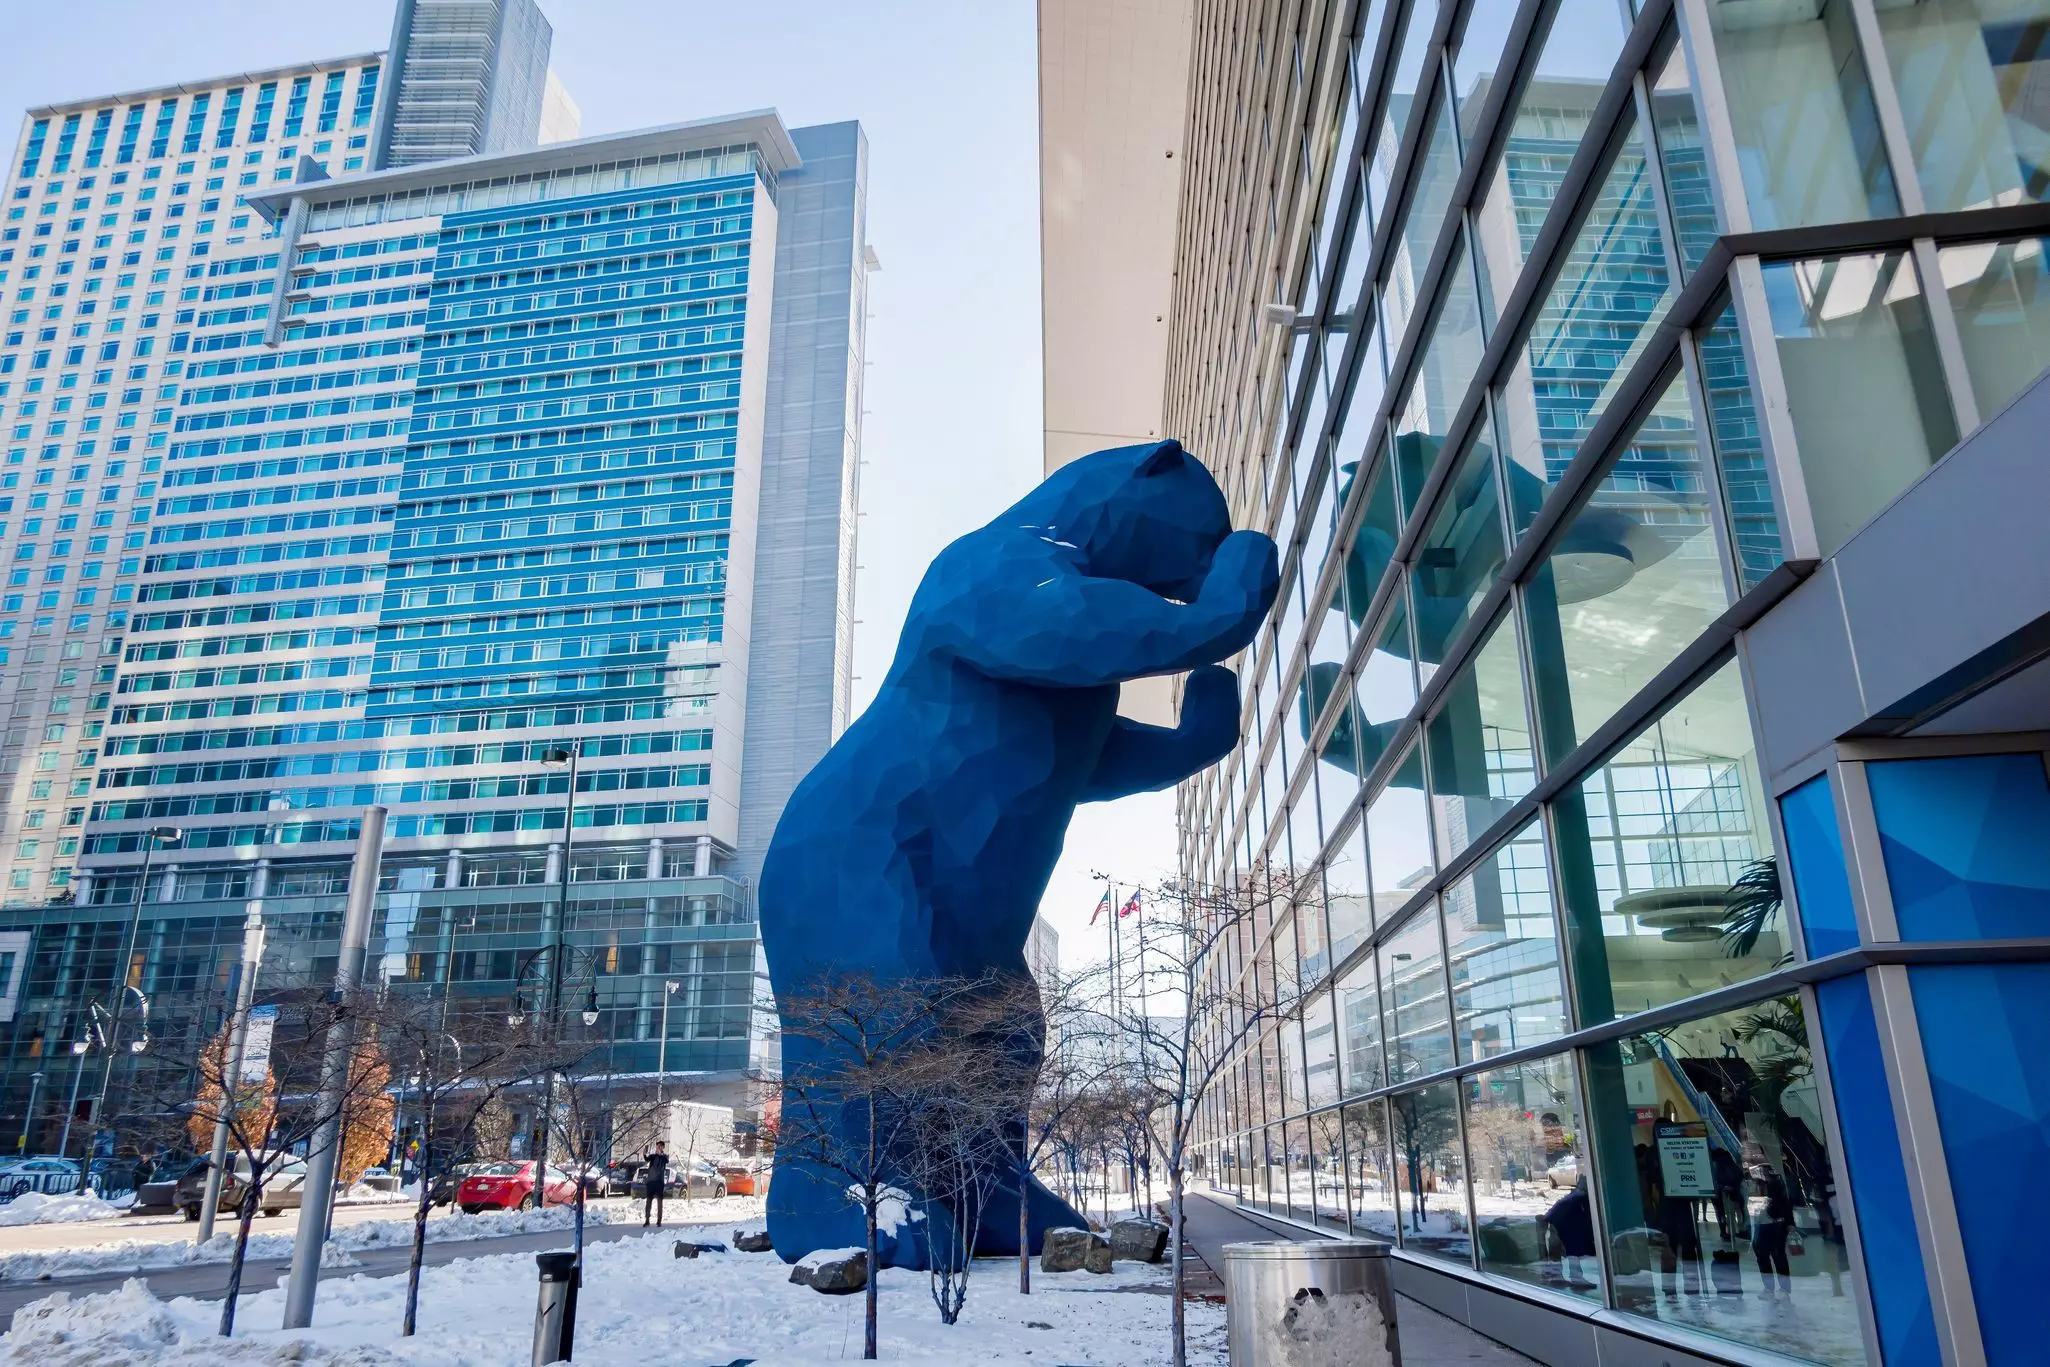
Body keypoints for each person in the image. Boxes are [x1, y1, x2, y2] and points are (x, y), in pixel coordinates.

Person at [1750, 1167, 1795, 1296]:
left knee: (1776, 1256)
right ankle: (1772, 1288)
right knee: (1766, 1257)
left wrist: (1790, 1222)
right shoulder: (1756, 1184)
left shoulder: (1773, 1185)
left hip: (1773, 1224)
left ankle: (1779, 1288)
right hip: (1762, 1224)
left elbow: (1784, 1203)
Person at [642, 1141, 670, 1228]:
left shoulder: (664, 1157)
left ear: (662, 1147)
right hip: (651, 1182)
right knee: (648, 1201)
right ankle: (647, 1220)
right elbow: (647, 1159)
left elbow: (666, 1161)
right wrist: (644, 1154)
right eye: (657, 1146)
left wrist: (661, 1154)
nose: (658, 1148)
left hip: (659, 1182)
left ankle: (659, 1221)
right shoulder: (653, 1156)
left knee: (659, 1202)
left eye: (659, 1146)